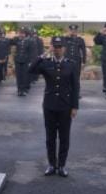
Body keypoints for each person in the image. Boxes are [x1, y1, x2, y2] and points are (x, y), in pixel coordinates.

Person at [29, 36, 80, 177]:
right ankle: (52, 164)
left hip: (65, 106)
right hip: (50, 105)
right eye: (55, 47)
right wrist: (44, 54)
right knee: (50, 137)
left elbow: (75, 87)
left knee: (64, 137)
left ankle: (62, 165)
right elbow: (31, 69)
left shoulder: (71, 64)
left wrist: (75, 106)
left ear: (64, 48)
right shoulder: (46, 63)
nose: (57, 49)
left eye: (60, 47)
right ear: (52, 47)